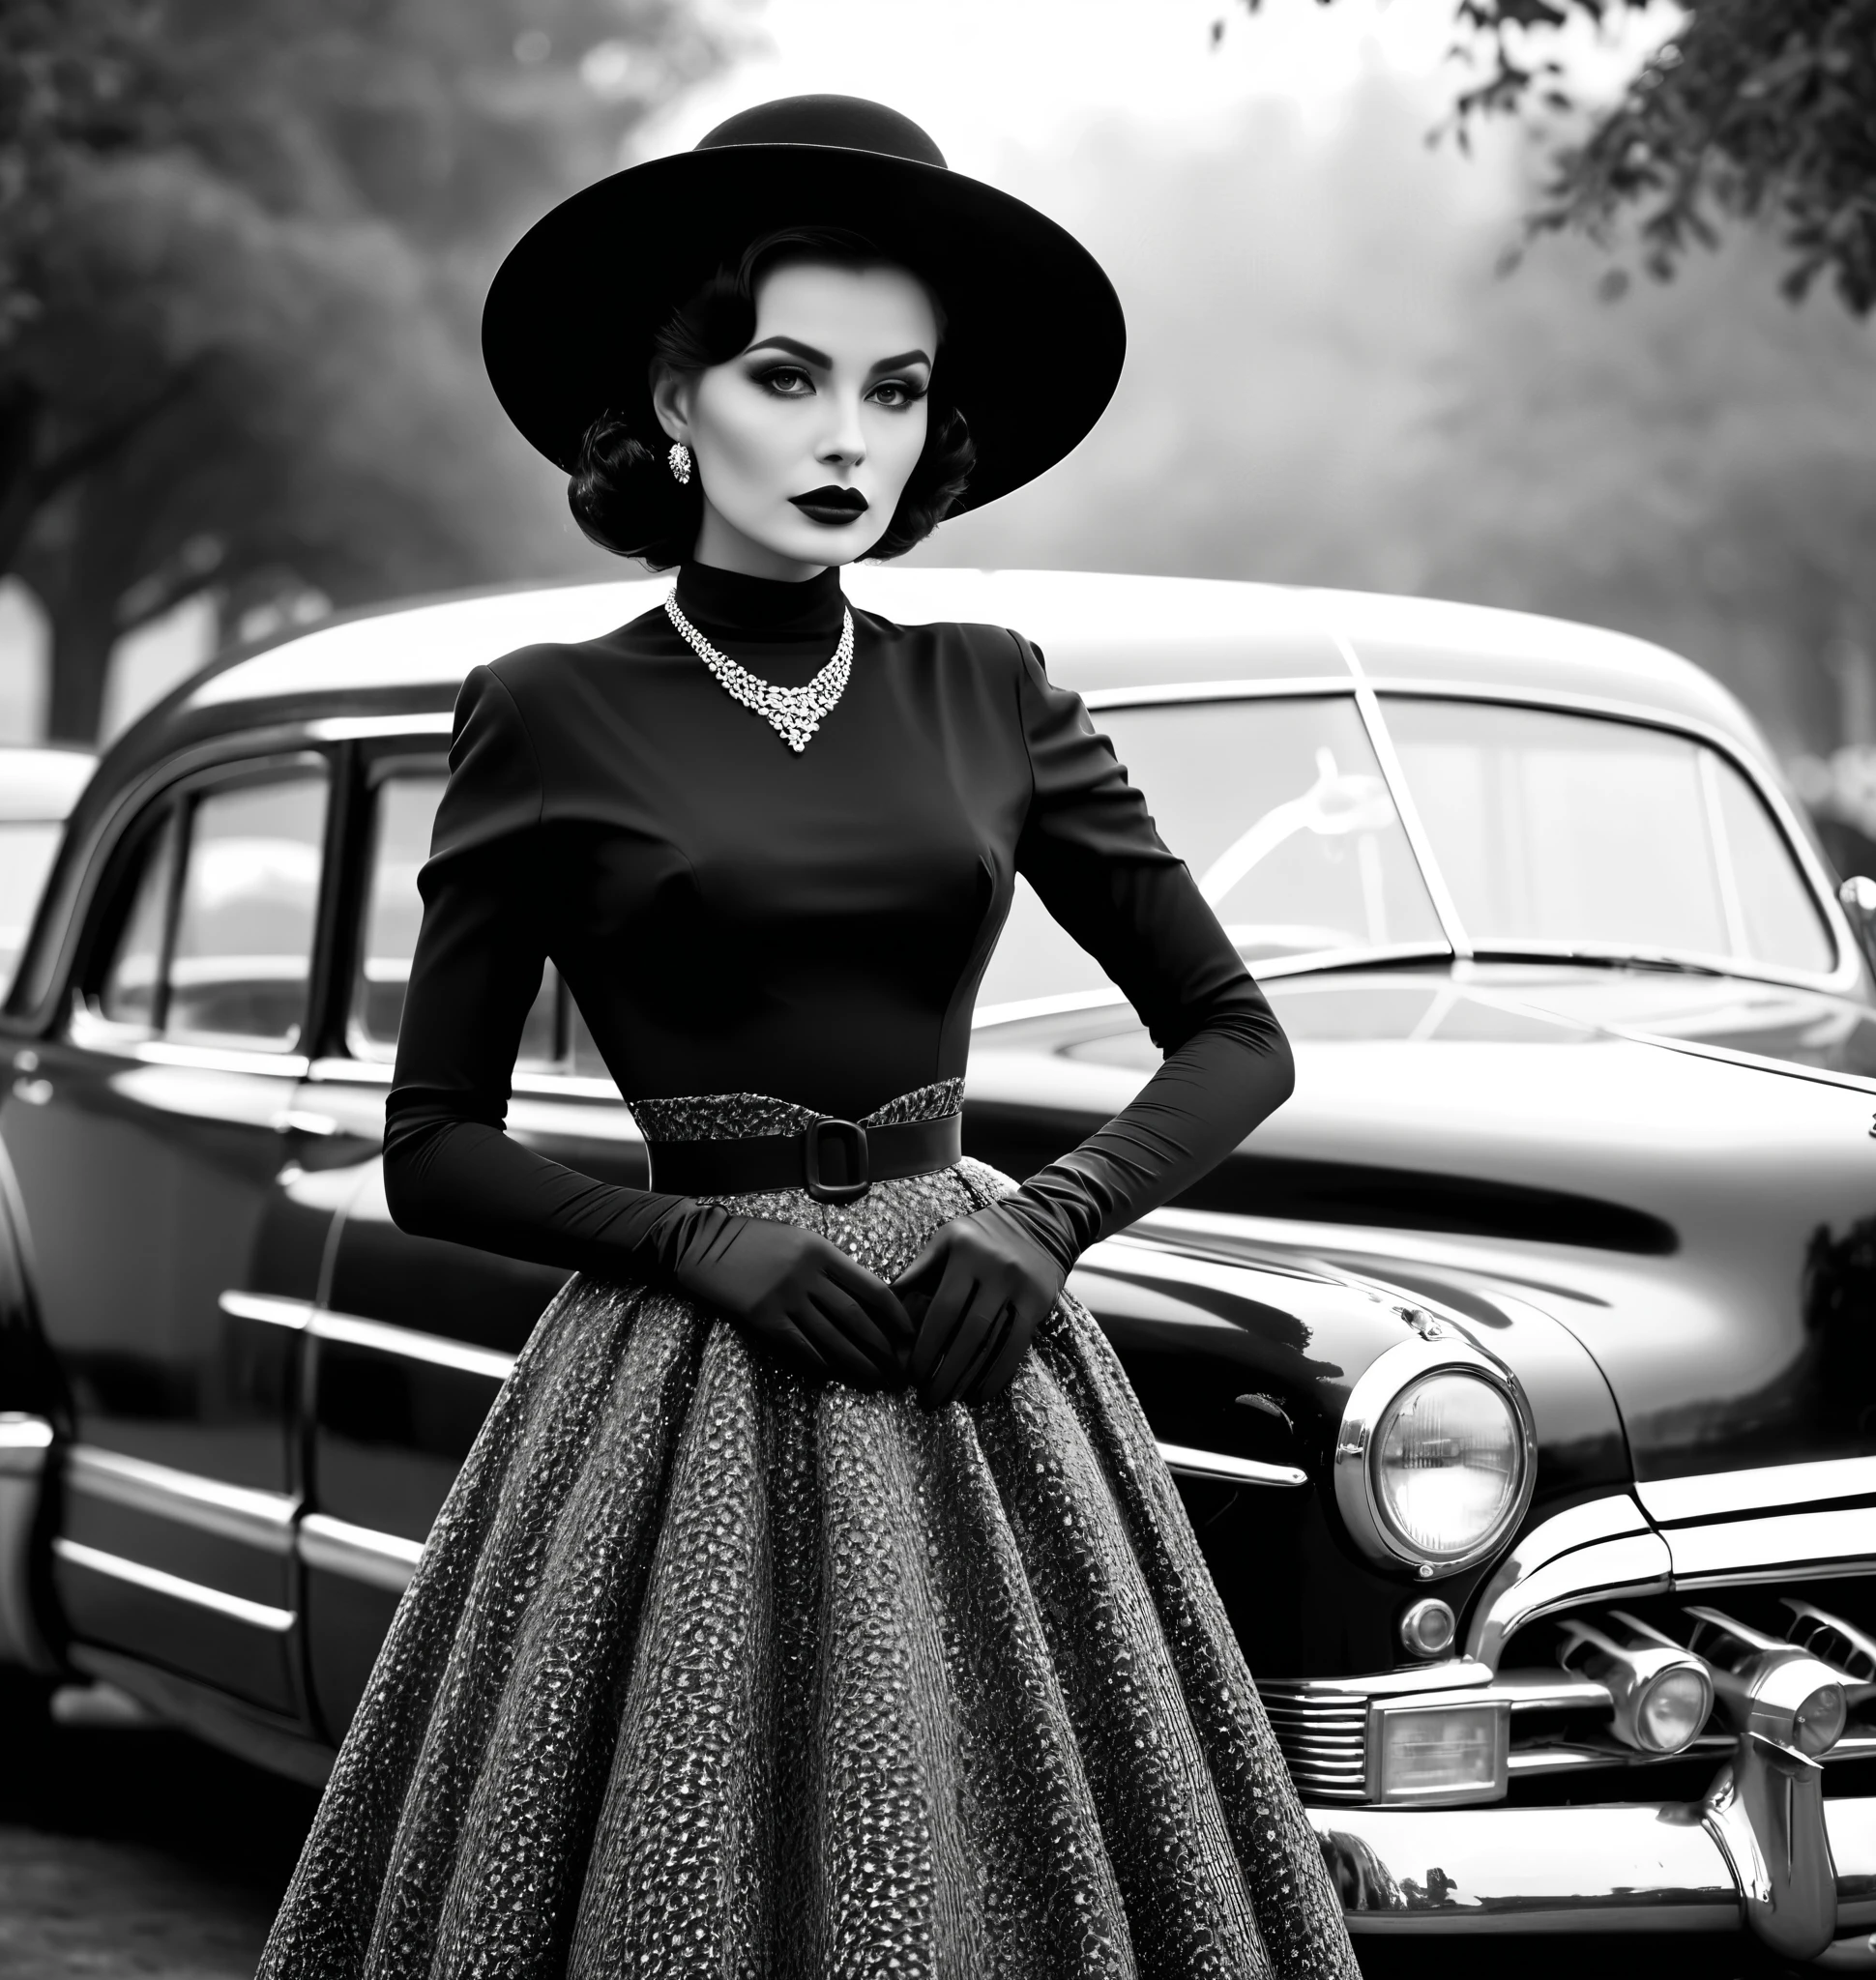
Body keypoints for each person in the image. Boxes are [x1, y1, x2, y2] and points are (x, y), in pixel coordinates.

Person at [257, 94, 1357, 1980]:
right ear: (674, 402)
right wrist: (696, 1237)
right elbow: (432, 1144)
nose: (849, 435)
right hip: (684, 1379)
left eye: (899, 389)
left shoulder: (991, 692)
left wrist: (1043, 1221)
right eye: (787, 373)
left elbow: (1232, 1038)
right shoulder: (543, 710)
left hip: (973, 1355)